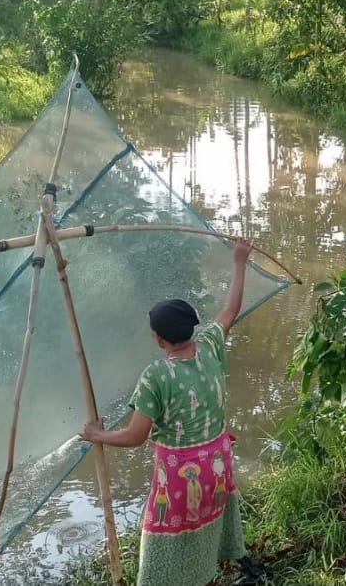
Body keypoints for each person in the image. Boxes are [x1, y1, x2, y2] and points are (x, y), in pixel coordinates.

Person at [79, 238, 266, 585]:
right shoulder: (210, 344)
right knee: (207, 524)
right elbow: (230, 309)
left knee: (166, 540)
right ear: (191, 327)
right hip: (217, 466)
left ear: (157, 338)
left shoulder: (156, 376)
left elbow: (135, 437)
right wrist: (240, 261)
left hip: (181, 477)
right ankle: (211, 575)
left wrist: (97, 434)